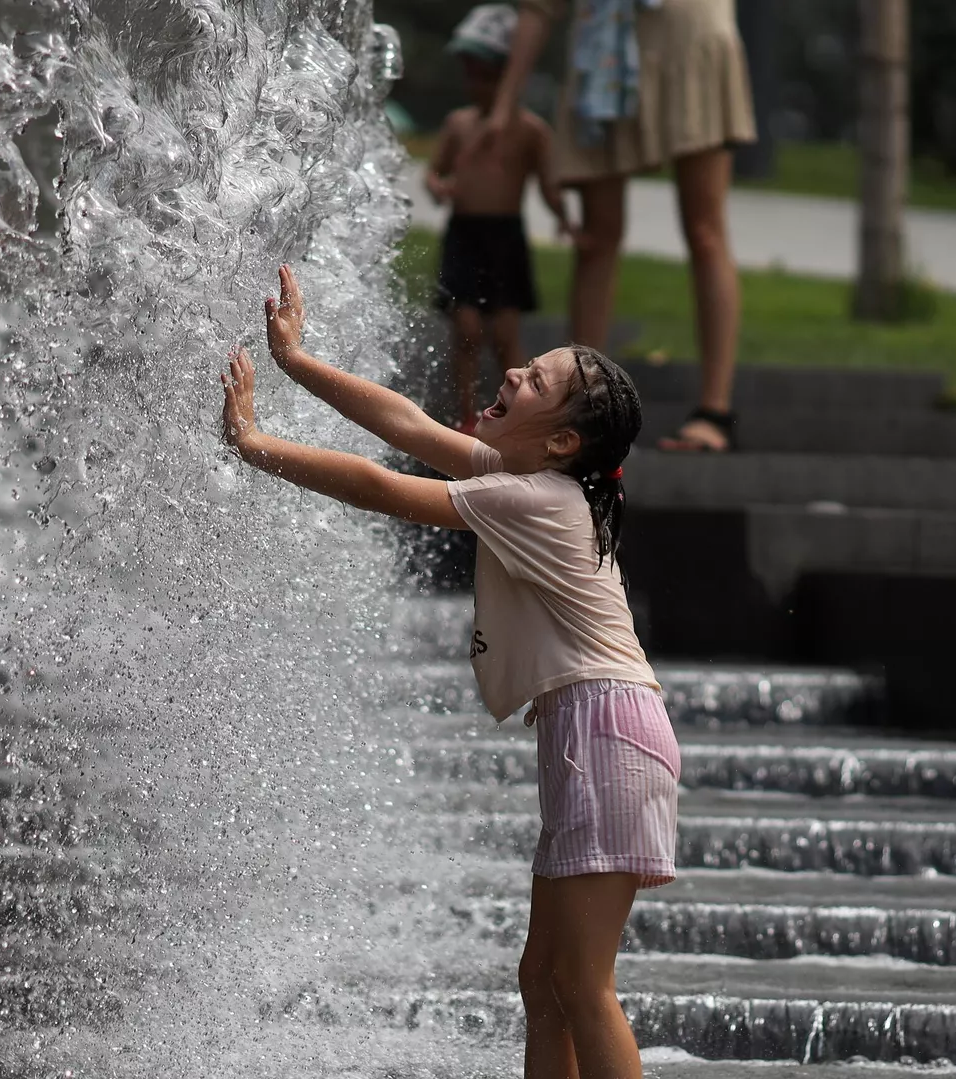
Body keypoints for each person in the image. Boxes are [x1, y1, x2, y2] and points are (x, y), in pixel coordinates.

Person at [221, 266, 679, 1079]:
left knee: (581, 980)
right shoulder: (528, 477)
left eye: (535, 380)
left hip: (608, 734)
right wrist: (296, 361)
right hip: (599, 733)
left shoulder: (534, 498)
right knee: (542, 980)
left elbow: (382, 485)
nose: (512, 370)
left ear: (562, 442)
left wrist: (258, 445)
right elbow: (404, 423)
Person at [480, 0, 755, 452]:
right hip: (602, 49)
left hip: (690, 35)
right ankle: (579, 412)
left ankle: (715, 412)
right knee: (596, 239)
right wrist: (505, 105)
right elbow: (538, 7)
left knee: (705, 230)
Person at [423, 4, 579, 432]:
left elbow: (547, 184)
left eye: (488, 77)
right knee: (467, 326)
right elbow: (435, 172)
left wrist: (564, 217)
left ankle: (522, 417)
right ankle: (466, 412)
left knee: (507, 332)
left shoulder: (530, 131)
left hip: (505, 236)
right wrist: (439, 187)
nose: (479, 87)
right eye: (472, 76)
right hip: (465, 234)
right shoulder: (459, 125)